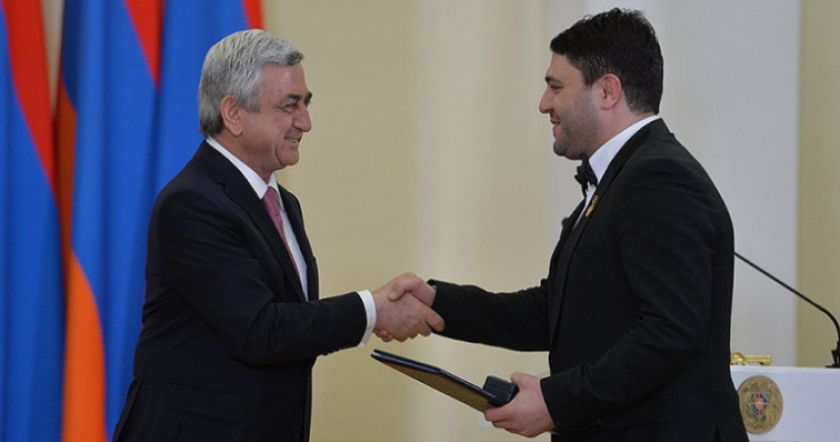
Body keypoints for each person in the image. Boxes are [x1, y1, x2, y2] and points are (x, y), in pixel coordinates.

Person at [384, 8, 748, 442]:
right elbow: (556, 311)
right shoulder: (621, 179)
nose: (544, 103)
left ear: (607, 91)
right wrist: (440, 303)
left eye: (556, 86)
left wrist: (555, 402)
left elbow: (670, 332)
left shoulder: (658, 178)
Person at [113, 29, 443, 442]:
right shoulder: (192, 203)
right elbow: (261, 331)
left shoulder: (283, 202)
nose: (305, 122)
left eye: (306, 104)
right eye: (290, 106)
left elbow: (289, 326)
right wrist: (372, 310)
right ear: (233, 113)